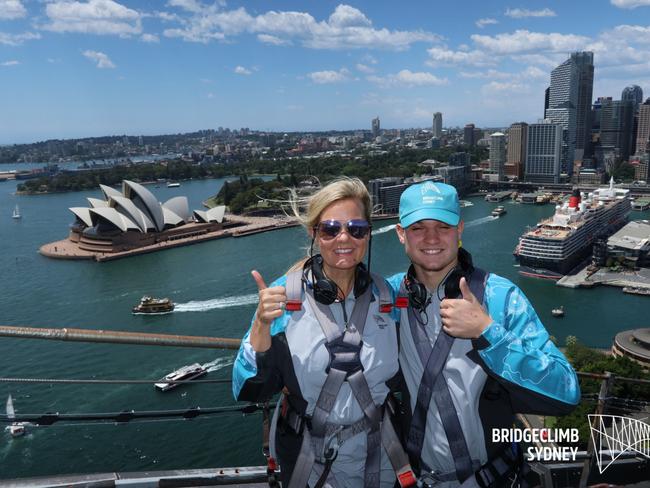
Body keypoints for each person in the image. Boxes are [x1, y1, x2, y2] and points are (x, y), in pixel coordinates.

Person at [387, 181, 581, 487]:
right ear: (401, 234)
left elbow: (566, 390)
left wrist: (487, 332)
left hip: (494, 479)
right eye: (418, 228)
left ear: (460, 229)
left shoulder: (501, 297)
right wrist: (287, 292)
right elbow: (337, 289)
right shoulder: (390, 296)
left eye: (443, 226)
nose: (432, 238)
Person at [232, 177, 415, 488]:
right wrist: (261, 325)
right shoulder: (282, 298)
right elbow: (250, 390)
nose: (344, 238)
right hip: (311, 463)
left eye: (356, 229)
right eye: (331, 229)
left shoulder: (388, 297)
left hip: (382, 457)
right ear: (314, 234)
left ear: (368, 234)